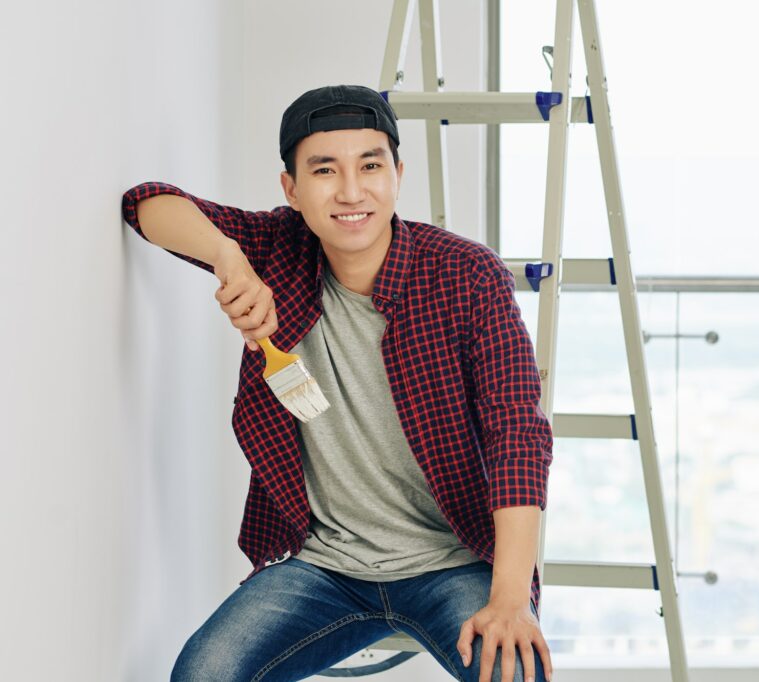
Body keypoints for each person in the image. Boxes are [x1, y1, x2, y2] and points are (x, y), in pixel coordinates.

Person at [121, 84, 554, 682]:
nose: (351, 192)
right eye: (325, 170)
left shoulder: (467, 274)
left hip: (454, 561)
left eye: (370, 166)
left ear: (398, 175)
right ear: (292, 189)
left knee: (514, 673)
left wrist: (509, 598)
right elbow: (145, 204)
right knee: (204, 673)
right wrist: (227, 256)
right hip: (326, 566)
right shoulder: (277, 249)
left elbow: (517, 435)